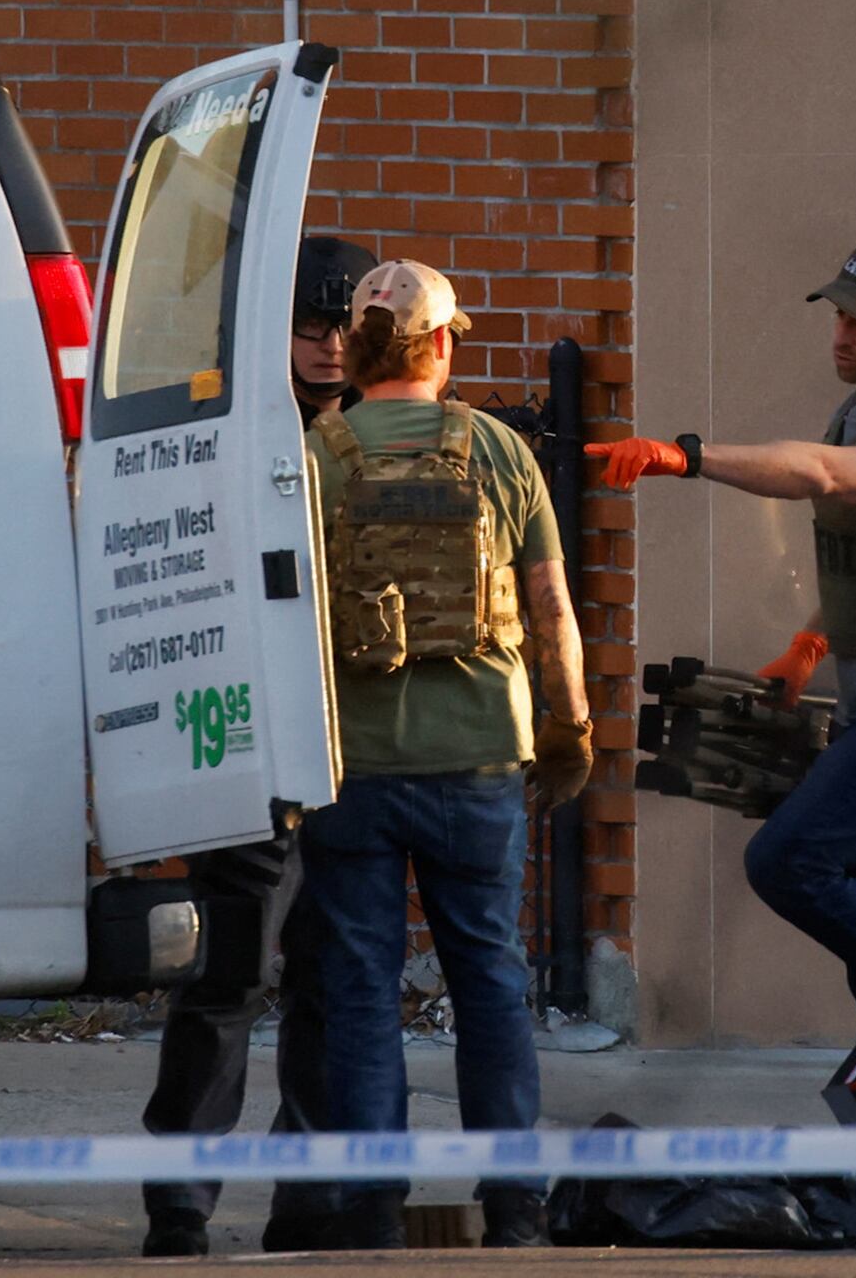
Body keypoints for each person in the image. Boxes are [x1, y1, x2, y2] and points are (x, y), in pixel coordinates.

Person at [585, 235, 856, 1026]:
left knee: (789, 860)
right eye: (839, 315)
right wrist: (810, 647)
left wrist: (686, 458)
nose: (843, 335)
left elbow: (818, 473)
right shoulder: (854, 419)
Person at [299, 259, 593, 1249]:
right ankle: (515, 1205)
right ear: (444, 345)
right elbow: (552, 609)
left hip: (356, 765)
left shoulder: (318, 455)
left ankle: (373, 1204)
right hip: (479, 760)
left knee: (360, 986)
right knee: (491, 980)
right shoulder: (501, 451)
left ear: (360, 344)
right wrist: (571, 730)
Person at [136, 234, 379, 1259]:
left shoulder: (391, 436)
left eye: (343, 329)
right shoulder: (227, 429)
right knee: (230, 974)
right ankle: (180, 1200)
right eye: (309, 327)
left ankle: (311, 1200)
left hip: (362, 744)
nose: (326, 347)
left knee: (332, 976)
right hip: (259, 733)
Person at [290, 236, 376, 427]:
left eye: (349, 325)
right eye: (313, 324)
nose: (333, 346)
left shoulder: (386, 430)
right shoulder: (241, 428)